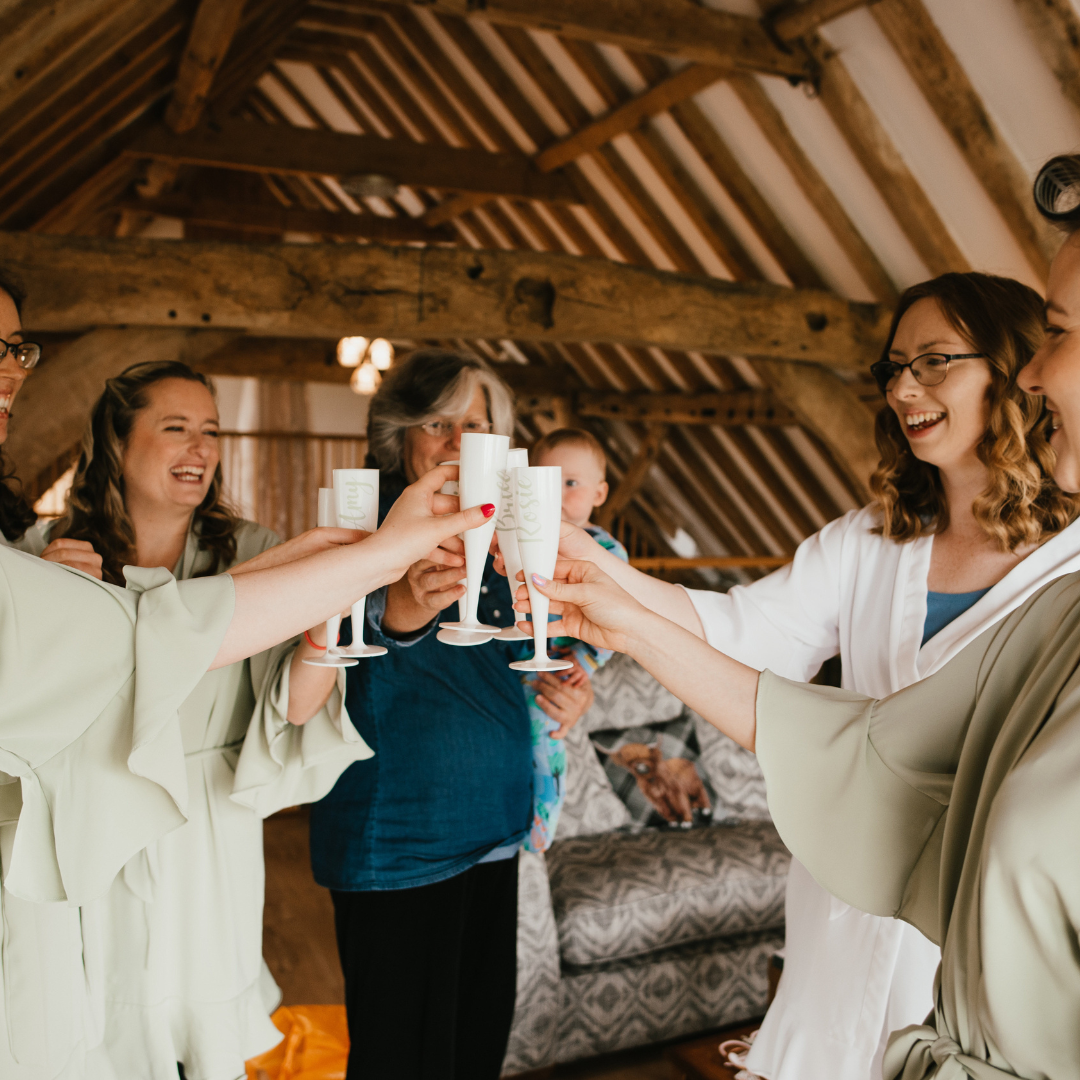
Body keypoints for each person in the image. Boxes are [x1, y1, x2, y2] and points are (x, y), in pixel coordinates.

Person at [520, 155, 1080, 1080]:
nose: (905, 389)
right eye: (895, 368)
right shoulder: (871, 539)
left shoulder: (1069, 573)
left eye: (936, 361)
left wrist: (625, 613)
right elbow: (742, 632)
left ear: (1015, 367)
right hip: (839, 898)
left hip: (971, 953)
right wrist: (597, 578)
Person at [20, 361, 372, 1079]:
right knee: (98, 1027)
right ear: (116, 444)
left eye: (210, 431)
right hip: (94, 825)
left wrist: (327, 630)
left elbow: (294, 709)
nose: (200, 448)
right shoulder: (45, 555)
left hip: (205, 829)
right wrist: (52, 604)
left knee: (199, 1036)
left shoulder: (259, 553)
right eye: (175, 428)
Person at [309, 350, 596, 1080]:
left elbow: (517, 666)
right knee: (401, 1063)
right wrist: (397, 611)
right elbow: (333, 637)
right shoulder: (358, 528)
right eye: (439, 423)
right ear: (398, 436)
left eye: (478, 425)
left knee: (473, 1058)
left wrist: (563, 690)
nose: (460, 441)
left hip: (495, 832)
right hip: (400, 848)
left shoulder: (510, 543)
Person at [523, 427, 627, 852]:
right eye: (547, 481)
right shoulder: (525, 543)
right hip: (517, 658)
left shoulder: (606, 552)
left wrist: (585, 662)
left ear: (599, 494)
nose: (559, 495)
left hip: (564, 666)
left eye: (571, 483)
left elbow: (619, 619)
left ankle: (545, 816)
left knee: (545, 737)